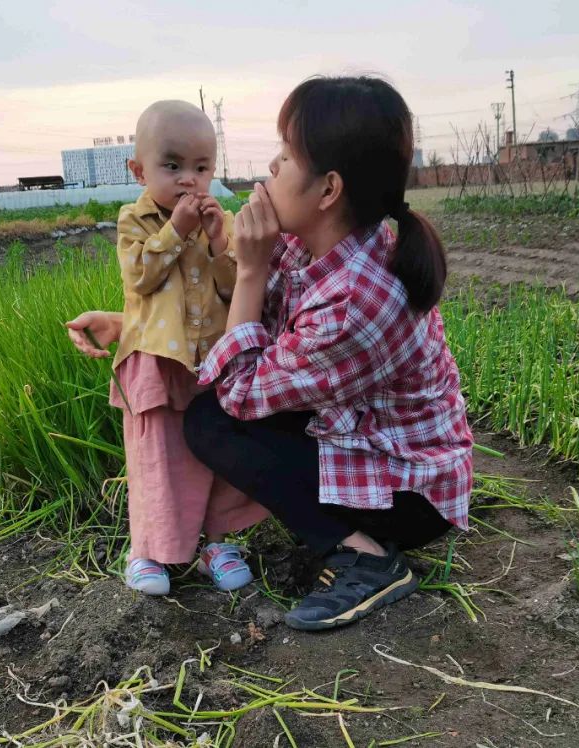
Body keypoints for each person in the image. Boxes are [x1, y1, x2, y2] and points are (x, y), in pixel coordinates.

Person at [68, 76, 472, 631]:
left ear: (328, 190)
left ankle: (366, 559)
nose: (270, 168)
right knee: (223, 418)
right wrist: (127, 324)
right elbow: (246, 324)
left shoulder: (355, 301)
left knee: (213, 422)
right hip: (358, 432)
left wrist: (251, 269)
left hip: (409, 494)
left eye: (285, 155)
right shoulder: (313, 243)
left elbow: (238, 391)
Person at [97, 100, 268, 597]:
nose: (189, 180)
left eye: (201, 168)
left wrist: (217, 242)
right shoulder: (136, 221)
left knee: (216, 452)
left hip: (210, 364)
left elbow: (235, 288)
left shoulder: (221, 222)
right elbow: (140, 277)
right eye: (172, 166)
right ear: (139, 171)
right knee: (157, 456)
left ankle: (217, 544)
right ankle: (148, 551)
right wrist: (178, 231)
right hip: (156, 361)